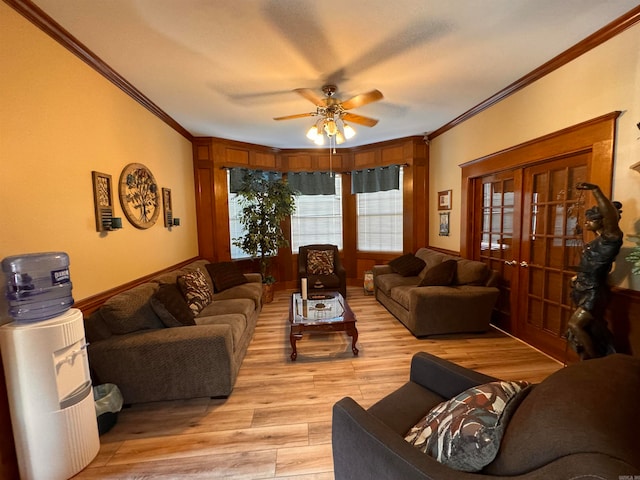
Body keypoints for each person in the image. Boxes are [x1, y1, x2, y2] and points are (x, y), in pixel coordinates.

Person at [566, 182, 623, 360]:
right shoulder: (595, 243)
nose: (587, 223)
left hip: (594, 292)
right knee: (592, 328)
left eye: (591, 220)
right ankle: (590, 358)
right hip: (583, 288)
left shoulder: (610, 239)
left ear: (602, 221)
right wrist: (578, 276)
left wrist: (596, 190)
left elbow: (611, 217)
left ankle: (594, 361)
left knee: (575, 325)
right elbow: (592, 266)